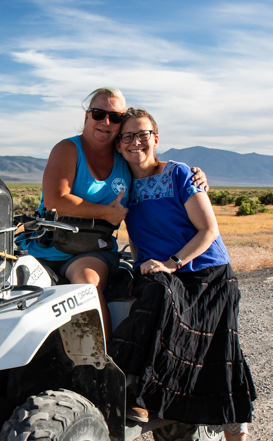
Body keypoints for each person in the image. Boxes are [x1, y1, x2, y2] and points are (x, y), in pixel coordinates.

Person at [106, 108, 258, 441]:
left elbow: (209, 230)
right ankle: (137, 394)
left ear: (156, 138)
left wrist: (172, 263)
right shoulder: (123, 185)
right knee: (150, 294)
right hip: (162, 275)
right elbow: (137, 237)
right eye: (127, 137)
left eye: (143, 134)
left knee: (220, 366)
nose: (135, 142)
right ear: (118, 145)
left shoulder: (179, 174)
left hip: (206, 275)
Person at [26, 88, 207, 337]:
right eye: (99, 113)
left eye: (116, 117)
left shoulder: (124, 155)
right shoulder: (68, 149)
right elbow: (55, 201)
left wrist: (192, 174)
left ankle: (101, 362)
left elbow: (153, 168)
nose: (106, 122)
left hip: (92, 249)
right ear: (87, 116)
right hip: (47, 247)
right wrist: (105, 213)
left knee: (85, 282)